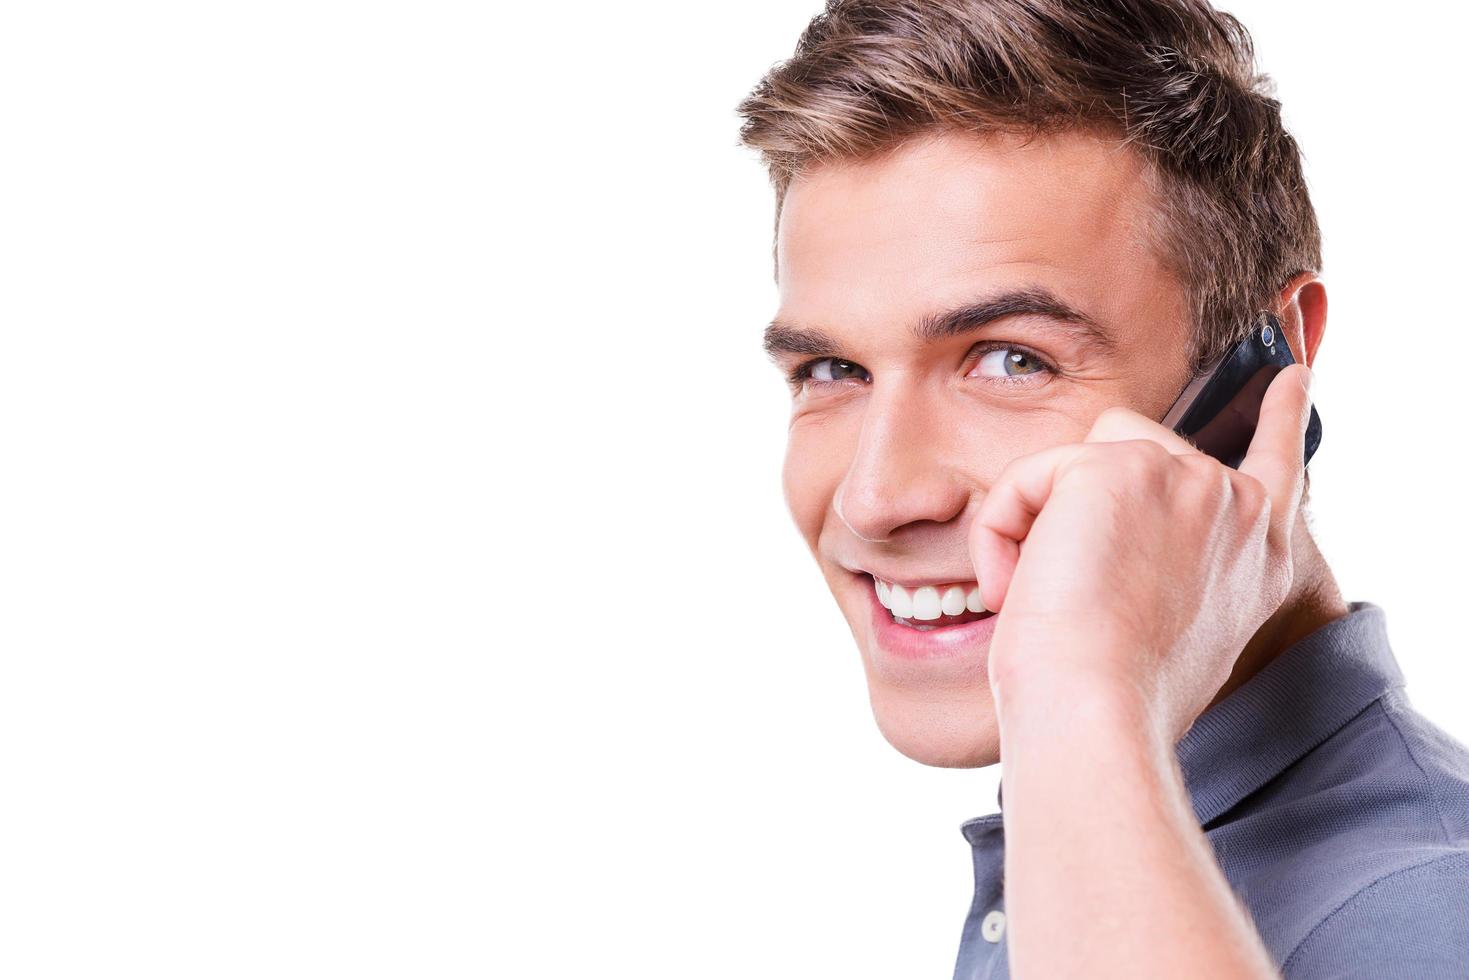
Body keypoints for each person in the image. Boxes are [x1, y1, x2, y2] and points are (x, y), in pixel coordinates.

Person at [734, 1, 1469, 977]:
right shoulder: (1088, 835)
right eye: (829, 369)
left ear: (1268, 362)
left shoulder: (1424, 915)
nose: (874, 496)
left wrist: (1075, 691)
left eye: (1008, 359)